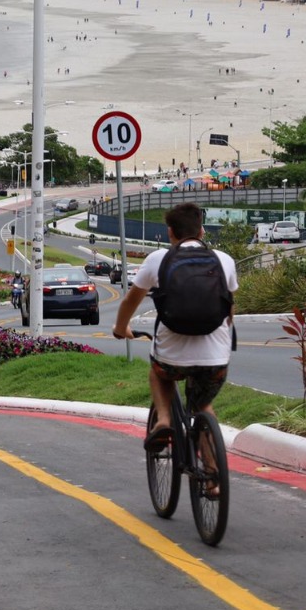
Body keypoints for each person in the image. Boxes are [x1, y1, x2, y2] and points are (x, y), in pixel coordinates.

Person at [112, 203, 238, 484]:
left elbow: (131, 301)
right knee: (203, 405)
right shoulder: (224, 260)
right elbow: (229, 309)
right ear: (201, 231)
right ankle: (214, 478)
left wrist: (121, 328)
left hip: (172, 352)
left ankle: (164, 421)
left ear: (170, 232)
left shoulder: (158, 259)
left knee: (159, 372)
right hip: (215, 357)